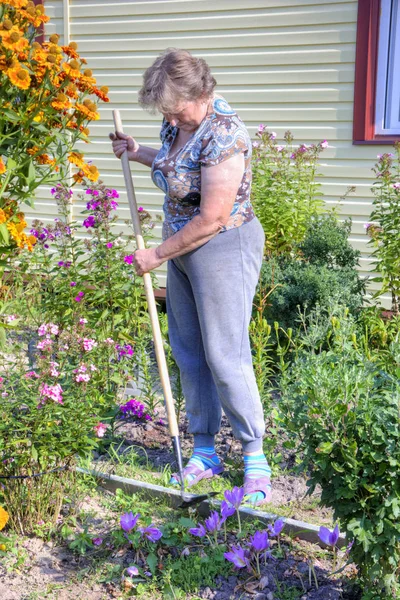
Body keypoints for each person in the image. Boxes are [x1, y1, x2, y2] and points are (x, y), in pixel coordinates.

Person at [110, 48, 271, 506]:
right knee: (188, 349)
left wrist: (155, 256)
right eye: (165, 113)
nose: (172, 119)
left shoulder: (225, 134)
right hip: (179, 247)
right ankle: (204, 449)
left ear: (201, 93)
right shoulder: (180, 121)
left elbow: (213, 217)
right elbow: (177, 168)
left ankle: (254, 456)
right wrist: (138, 151)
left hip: (221, 245)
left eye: (176, 110)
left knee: (225, 353)